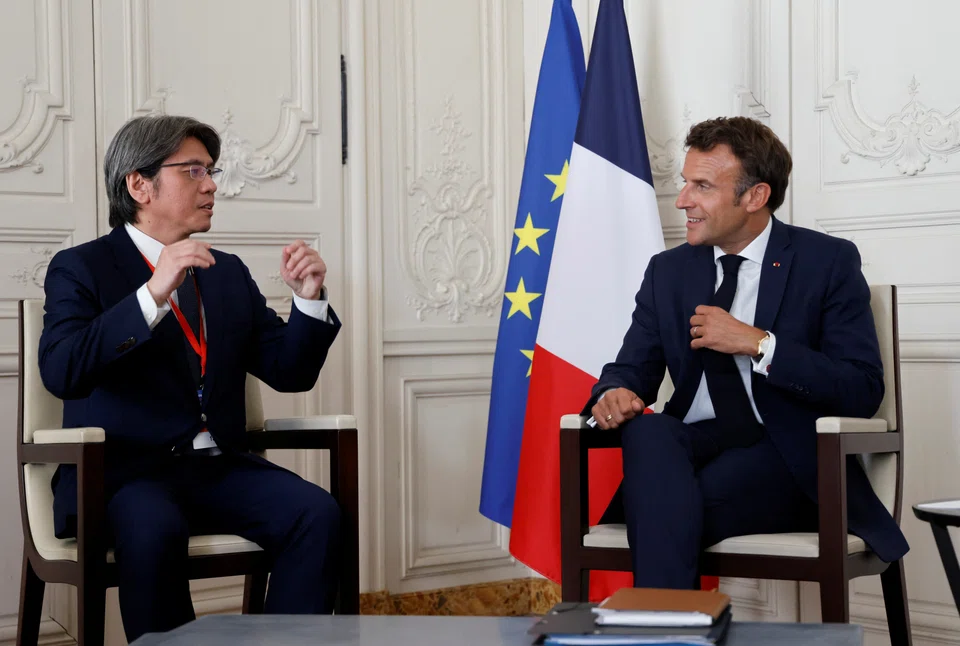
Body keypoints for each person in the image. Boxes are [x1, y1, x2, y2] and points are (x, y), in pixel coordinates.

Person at [39, 115, 343, 641]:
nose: (211, 185)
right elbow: (62, 369)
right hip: (122, 476)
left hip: (216, 469)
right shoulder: (81, 267)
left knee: (316, 513)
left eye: (211, 170)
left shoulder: (225, 271)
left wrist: (307, 300)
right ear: (139, 184)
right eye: (194, 170)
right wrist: (152, 294)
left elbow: (290, 373)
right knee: (154, 527)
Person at [586, 116, 908, 588]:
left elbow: (861, 389)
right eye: (685, 183)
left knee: (664, 506)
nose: (682, 201)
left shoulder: (827, 262)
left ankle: (662, 631)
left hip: (785, 452)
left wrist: (759, 344)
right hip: (692, 446)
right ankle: (673, 631)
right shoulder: (667, 272)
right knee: (649, 436)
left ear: (755, 196)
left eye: (702, 186)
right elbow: (631, 368)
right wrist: (614, 392)